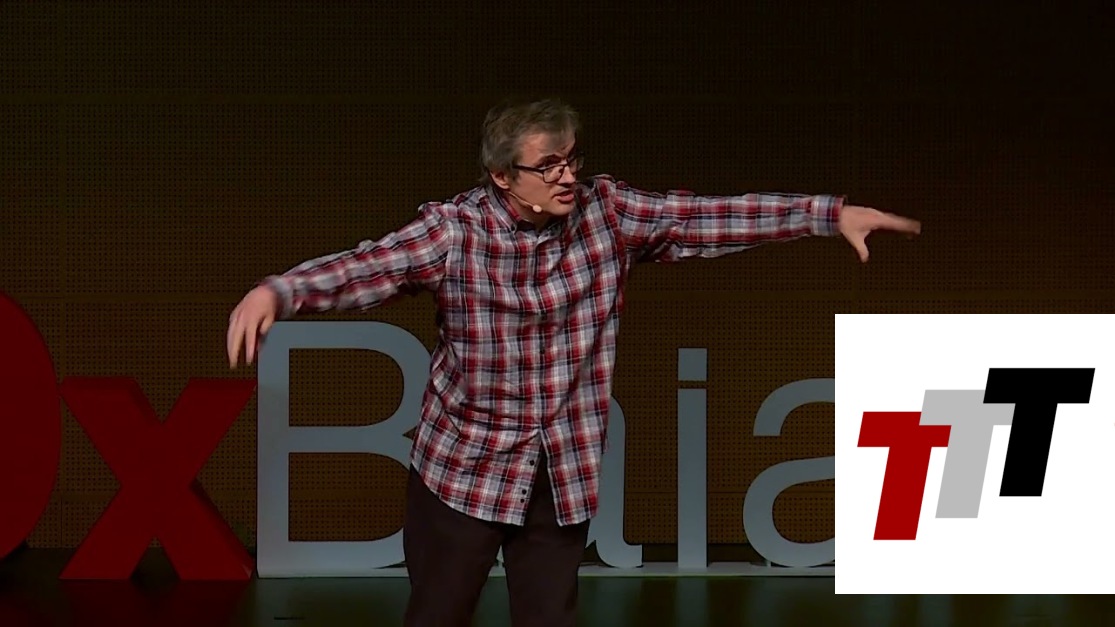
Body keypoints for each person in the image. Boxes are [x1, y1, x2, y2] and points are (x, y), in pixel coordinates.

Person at [225, 97, 921, 626]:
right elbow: (365, 267)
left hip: (559, 469)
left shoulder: (606, 214)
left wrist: (825, 215)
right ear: (502, 177)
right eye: (547, 166)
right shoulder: (454, 233)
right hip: (463, 468)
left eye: (572, 160)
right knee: (437, 615)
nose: (566, 177)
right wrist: (277, 291)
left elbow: (704, 217)